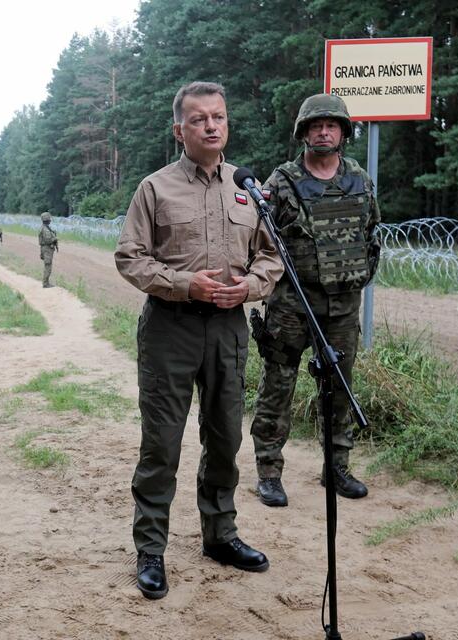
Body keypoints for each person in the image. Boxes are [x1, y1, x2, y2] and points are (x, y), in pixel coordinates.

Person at [115, 81, 283, 600]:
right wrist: (185, 283)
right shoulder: (155, 187)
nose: (211, 125)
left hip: (228, 330)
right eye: (199, 119)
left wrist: (250, 289)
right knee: (162, 443)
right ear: (179, 130)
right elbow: (130, 257)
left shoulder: (249, 187)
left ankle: (220, 535)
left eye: (219, 117)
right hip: (172, 327)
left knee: (226, 440)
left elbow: (272, 257)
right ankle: (150, 550)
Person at [249, 93, 380, 507]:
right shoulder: (281, 182)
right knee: (278, 386)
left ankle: (337, 467)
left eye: (332, 125)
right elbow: (257, 237)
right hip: (291, 303)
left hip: (342, 304)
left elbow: (371, 230)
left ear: (343, 133)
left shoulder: (358, 178)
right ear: (304, 133)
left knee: (340, 387)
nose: (324, 131)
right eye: (316, 126)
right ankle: (269, 471)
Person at [38, 212, 58, 288]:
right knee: (48, 266)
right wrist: (55, 239)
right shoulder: (45, 229)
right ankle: (45, 283)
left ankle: (46, 282)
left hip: (46, 249)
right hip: (47, 249)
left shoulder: (45, 228)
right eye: (49, 218)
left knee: (48, 266)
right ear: (46, 219)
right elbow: (48, 240)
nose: (50, 220)